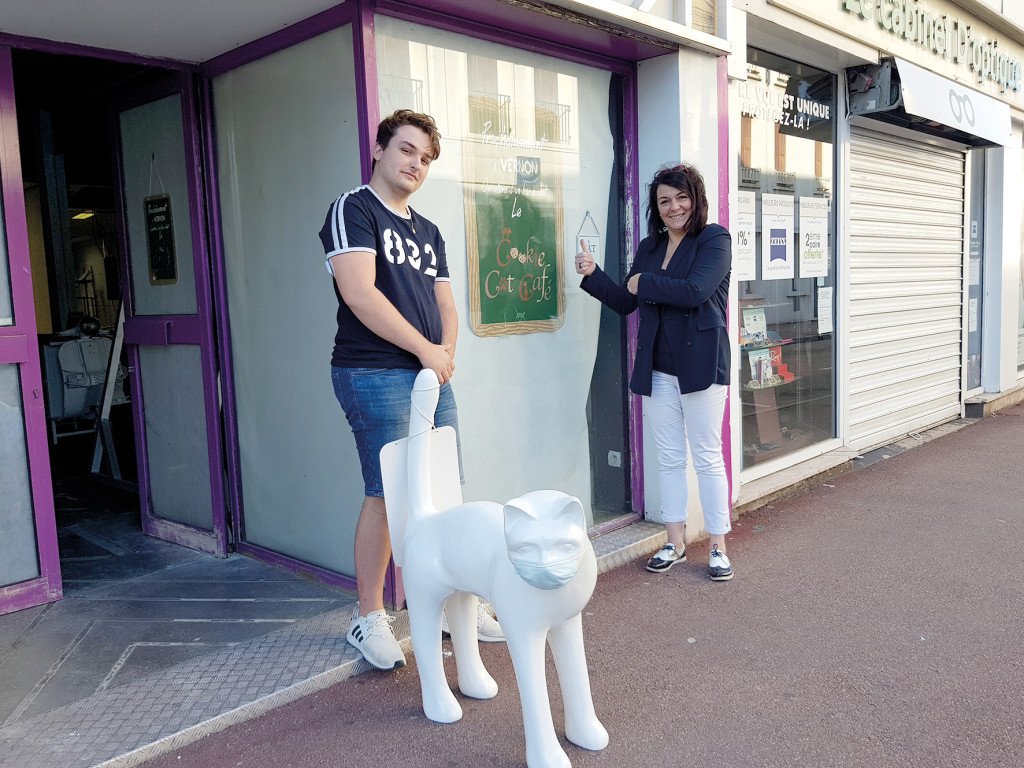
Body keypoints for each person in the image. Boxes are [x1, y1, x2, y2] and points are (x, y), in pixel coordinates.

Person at [319, 110, 504, 670]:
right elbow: (359, 292)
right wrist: (426, 351)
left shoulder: (428, 231)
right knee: (387, 491)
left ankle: (451, 605)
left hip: (429, 374)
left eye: (425, 158)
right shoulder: (354, 208)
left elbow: (447, 304)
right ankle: (369, 617)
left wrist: (443, 354)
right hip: (373, 371)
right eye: (406, 150)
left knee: (444, 490)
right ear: (379, 149)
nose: (415, 164)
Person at [574, 163, 734, 581]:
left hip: (701, 366)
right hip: (658, 369)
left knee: (707, 457)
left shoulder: (714, 239)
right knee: (669, 458)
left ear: (695, 200)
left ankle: (718, 546)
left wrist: (643, 282)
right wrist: (594, 275)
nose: (674, 207)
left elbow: (695, 291)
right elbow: (626, 301)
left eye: (681, 198)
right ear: (656, 207)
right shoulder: (649, 247)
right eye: (664, 201)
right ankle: (674, 541)